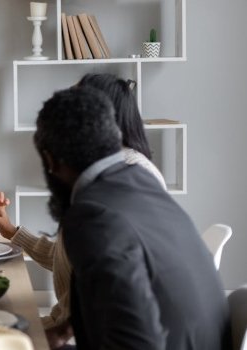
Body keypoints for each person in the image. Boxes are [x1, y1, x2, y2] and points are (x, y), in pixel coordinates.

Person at [32, 86, 229, 349]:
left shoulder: (92, 215)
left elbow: (136, 343)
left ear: (50, 161)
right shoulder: (141, 180)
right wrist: (60, 333)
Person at [0, 73, 166, 348]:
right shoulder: (123, 172)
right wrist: (13, 232)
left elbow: (110, 304)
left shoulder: (116, 184)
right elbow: (73, 260)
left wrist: (47, 335)